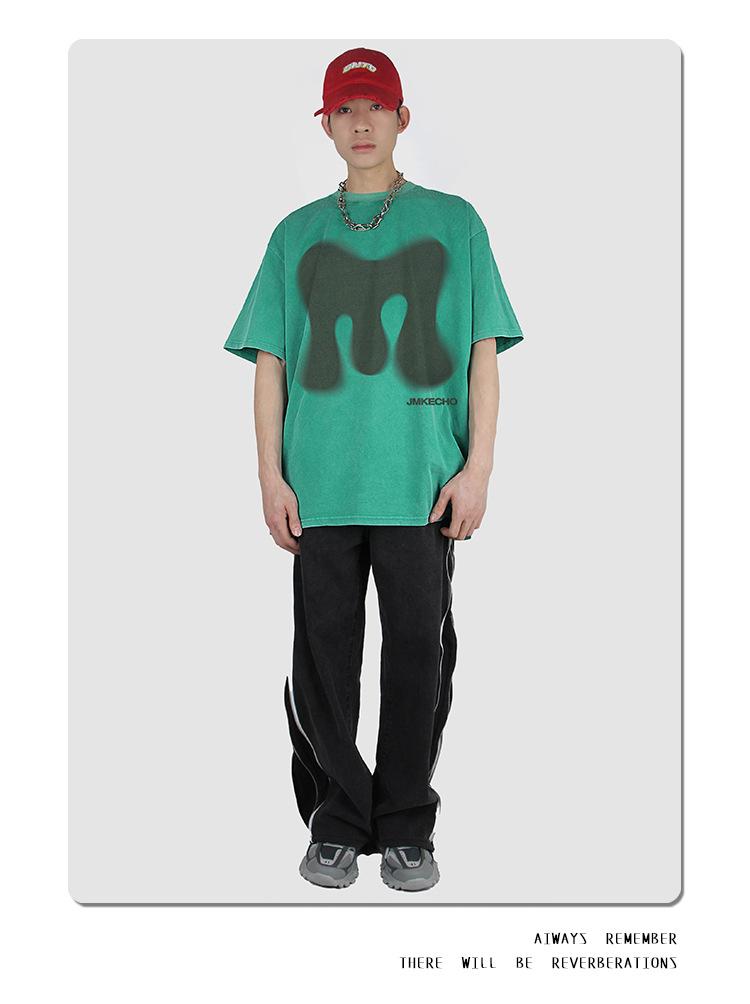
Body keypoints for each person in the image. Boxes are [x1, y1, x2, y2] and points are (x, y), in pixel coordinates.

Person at [224, 46, 524, 892]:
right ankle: (336, 819)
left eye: (376, 107)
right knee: (322, 661)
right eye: (346, 110)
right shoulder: (295, 234)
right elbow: (271, 363)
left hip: (421, 484)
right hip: (319, 486)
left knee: (418, 658)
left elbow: (483, 353)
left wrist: (478, 470)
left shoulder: (456, 224)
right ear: (325, 124)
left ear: (402, 117)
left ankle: (404, 826)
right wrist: (270, 477)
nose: (362, 123)